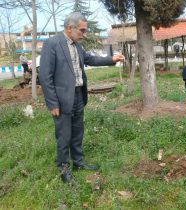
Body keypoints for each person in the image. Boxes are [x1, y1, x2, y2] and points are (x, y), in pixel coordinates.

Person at [39, 12, 125, 183]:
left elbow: (90, 59)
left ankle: (78, 162)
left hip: (78, 95)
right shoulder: (52, 43)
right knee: (64, 135)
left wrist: (111, 59)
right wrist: (52, 103)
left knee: (78, 132)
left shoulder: (77, 45)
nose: (84, 34)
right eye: (82, 30)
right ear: (70, 28)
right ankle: (64, 169)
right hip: (62, 99)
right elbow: (45, 76)